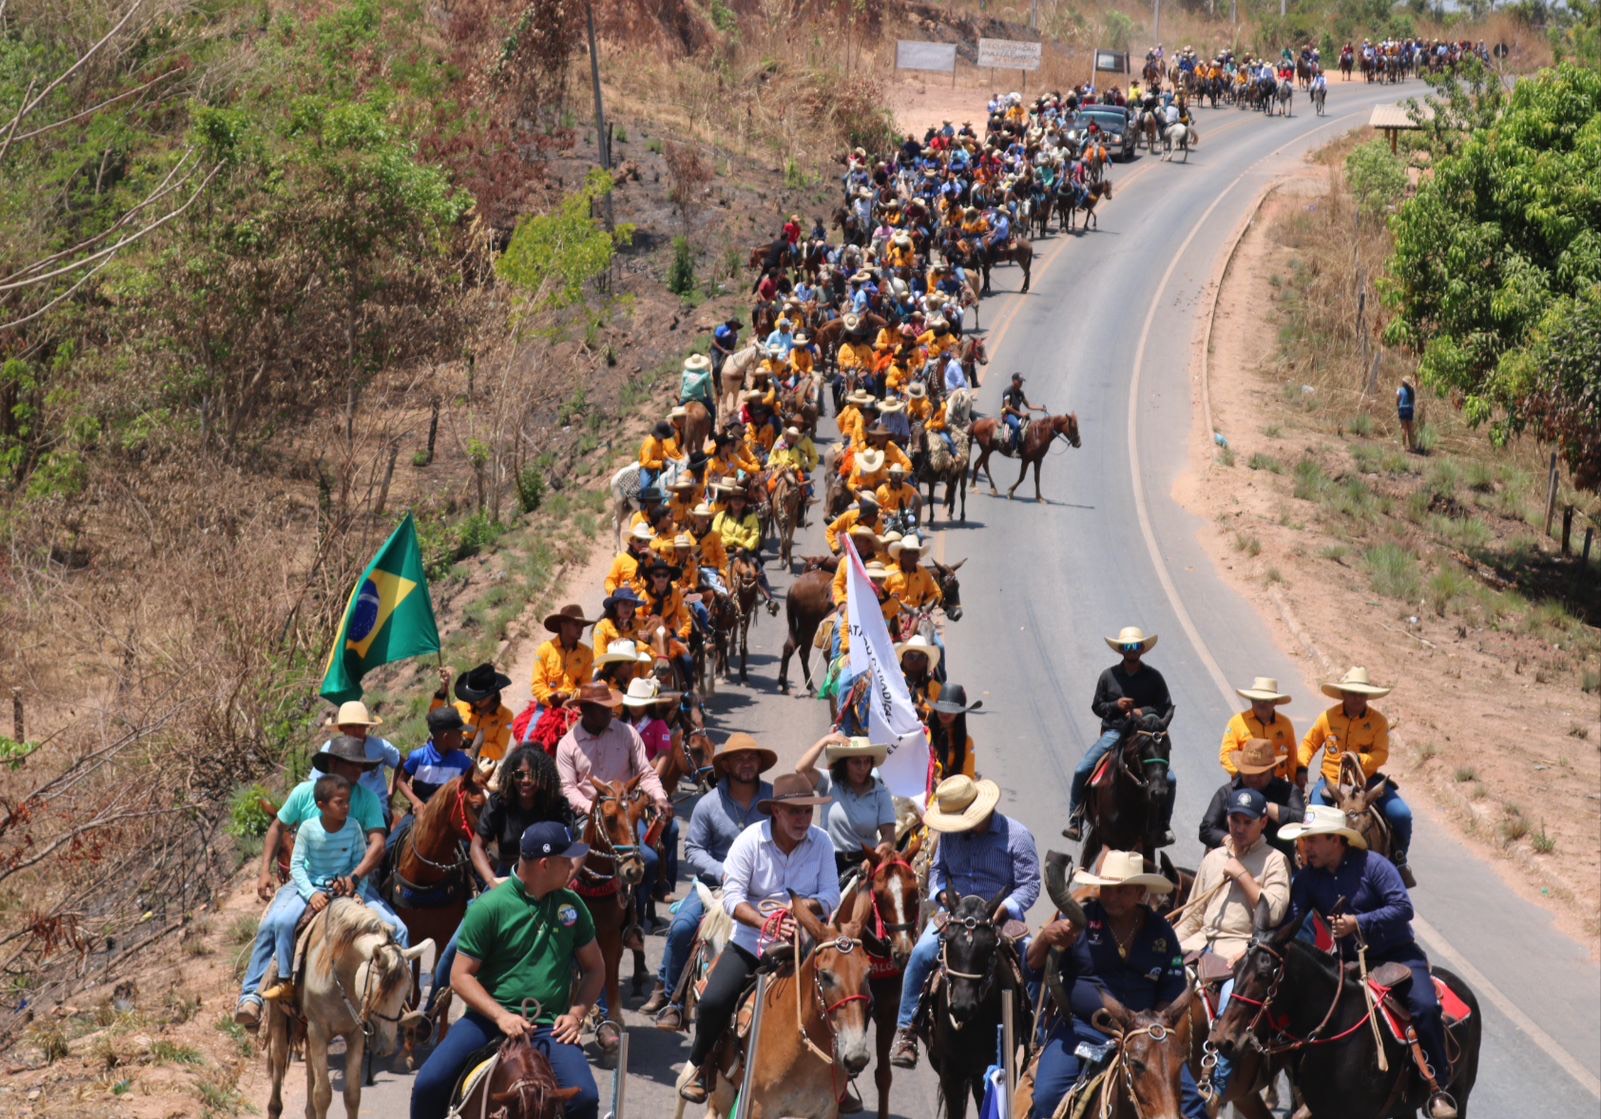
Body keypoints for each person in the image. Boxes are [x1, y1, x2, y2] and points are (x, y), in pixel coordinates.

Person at [409, 822, 604, 1119]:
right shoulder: (489, 907)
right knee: (429, 1083)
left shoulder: (572, 905)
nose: (573, 866)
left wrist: (576, 1014)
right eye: (567, 860)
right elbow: (460, 976)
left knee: (585, 1098)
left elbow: (595, 969)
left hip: (551, 1026)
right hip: (487, 1021)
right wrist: (501, 1015)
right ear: (545, 864)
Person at [1279, 807, 1458, 1119]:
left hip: (1398, 957)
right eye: (1305, 841)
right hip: (1346, 962)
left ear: (1336, 840)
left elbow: (1403, 908)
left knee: (1425, 1006)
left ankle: (1436, 1087)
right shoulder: (1307, 878)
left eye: (1313, 841)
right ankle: (1311, 1090)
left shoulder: (1375, 866)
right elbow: (1291, 921)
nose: (1305, 848)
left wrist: (1357, 923)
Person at [679, 773, 840, 1102]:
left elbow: (832, 896)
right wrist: (768, 922)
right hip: (752, 945)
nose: (802, 819)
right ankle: (699, 1063)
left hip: (804, 949)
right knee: (713, 1001)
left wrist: (802, 907)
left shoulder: (822, 842)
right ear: (776, 811)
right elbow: (732, 898)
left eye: (807, 811)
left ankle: (840, 1076)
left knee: (845, 996)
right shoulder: (749, 841)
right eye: (794, 811)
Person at [234, 736, 411, 1028]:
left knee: (400, 932)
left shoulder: (365, 799)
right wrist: (264, 870)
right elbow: (278, 827)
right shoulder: (304, 793)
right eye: (352, 766)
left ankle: (397, 1006)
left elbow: (378, 845)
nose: (359, 773)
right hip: (307, 881)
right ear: (333, 765)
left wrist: (354, 879)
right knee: (273, 923)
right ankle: (251, 998)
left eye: (362, 767)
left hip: (354, 884)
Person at [1027, 851, 1201, 1119]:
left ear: (1141, 892)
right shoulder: (1080, 921)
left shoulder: (1161, 932)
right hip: (1083, 1030)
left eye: (1121, 891)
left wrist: (1155, 1023)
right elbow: (1033, 966)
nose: (1111, 897)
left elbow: (1174, 982)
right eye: (1106, 889)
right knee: (1047, 1096)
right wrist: (1045, 938)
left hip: (1146, 1039)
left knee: (1194, 1107)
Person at [890, 775, 1039, 1068]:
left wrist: (1005, 908)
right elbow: (938, 872)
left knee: (1033, 960)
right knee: (920, 954)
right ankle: (907, 1031)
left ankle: (1036, 1036)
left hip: (999, 916)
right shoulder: (949, 835)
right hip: (956, 915)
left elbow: (1029, 884)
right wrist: (941, 894)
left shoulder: (1017, 836)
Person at [425, 745, 573, 1010]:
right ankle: (432, 1008)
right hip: (507, 878)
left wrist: (566, 877)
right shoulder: (499, 803)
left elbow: (576, 848)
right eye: (519, 775)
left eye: (532, 775)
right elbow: (477, 846)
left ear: (544, 776)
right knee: (456, 945)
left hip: (549, 880)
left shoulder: (557, 805)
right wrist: (492, 882)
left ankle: (596, 1012)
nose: (525, 781)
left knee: (578, 942)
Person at [643, 733, 778, 1023]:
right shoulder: (708, 804)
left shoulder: (773, 799)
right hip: (715, 886)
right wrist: (723, 872)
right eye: (738, 758)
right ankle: (674, 1000)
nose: (746, 763)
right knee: (682, 927)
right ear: (726, 765)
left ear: (760, 763)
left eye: (751, 757)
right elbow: (693, 849)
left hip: (762, 888)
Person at [1174, 788, 1291, 1110]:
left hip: (1243, 950)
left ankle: (1216, 1085)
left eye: (1247, 821)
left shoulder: (1275, 861)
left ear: (1263, 823)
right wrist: (1169, 946)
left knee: (1231, 1002)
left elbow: (1275, 913)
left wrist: (1243, 876)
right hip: (1199, 944)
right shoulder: (1214, 858)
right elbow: (1192, 916)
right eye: (1234, 820)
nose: (1239, 827)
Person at [555, 681, 673, 926]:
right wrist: (594, 810)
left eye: (610, 708)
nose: (611, 713)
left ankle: (634, 922)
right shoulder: (567, 745)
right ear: (586, 710)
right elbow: (567, 788)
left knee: (649, 860)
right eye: (603, 709)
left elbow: (646, 772)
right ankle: (561, 919)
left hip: (624, 814)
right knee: (561, 863)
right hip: (585, 815)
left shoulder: (627, 733)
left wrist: (659, 797)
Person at [1299, 666, 1415, 886]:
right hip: (1331, 782)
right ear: (1343, 694)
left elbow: (1381, 753)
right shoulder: (1327, 717)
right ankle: (1307, 863)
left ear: (1367, 697)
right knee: (1312, 819)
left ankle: (1399, 859)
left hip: (1365, 781)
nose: (1356, 698)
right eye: (1352, 693)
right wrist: (1301, 766)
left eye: (1361, 694)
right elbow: (1309, 743)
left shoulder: (1378, 721)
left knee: (1402, 815)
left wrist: (1359, 759)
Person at [260, 772, 369, 1005]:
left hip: (344, 890)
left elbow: (361, 864)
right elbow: (296, 866)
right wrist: (312, 894)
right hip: (312, 886)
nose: (346, 807)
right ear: (322, 805)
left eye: (347, 801)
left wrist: (358, 891)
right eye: (340, 803)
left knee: (380, 928)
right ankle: (285, 980)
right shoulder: (308, 829)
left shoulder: (354, 828)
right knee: (283, 922)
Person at [1066, 627, 1176, 845]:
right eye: (1127, 647)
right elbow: (1097, 706)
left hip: (1143, 735)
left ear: (1142, 649)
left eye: (1135, 646)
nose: (1132, 650)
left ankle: (1163, 824)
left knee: (1170, 778)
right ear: (1121, 650)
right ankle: (1075, 818)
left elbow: (1164, 707)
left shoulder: (1154, 677)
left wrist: (1141, 713)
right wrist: (1116, 705)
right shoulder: (1108, 676)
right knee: (1082, 769)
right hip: (1115, 731)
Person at [795, 732, 898, 874]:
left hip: (866, 862)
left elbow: (889, 835)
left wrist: (874, 858)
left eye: (866, 761)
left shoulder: (880, 793)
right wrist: (823, 741)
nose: (862, 768)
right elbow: (801, 770)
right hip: (828, 860)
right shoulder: (828, 781)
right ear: (844, 764)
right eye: (856, 762)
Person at [1199, 738, 1305, 859]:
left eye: (1260, 774)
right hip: (1232, 860)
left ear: (1273, 770)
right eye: (1249, 774)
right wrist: (1229, 840)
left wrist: (1265, 806)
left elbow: (1302, 820)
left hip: (1276, 864)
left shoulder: (1288, 791)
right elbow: (1206, 829)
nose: (1254, 779)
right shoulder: (1227, 792)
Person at [324, 700, 402, 825]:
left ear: (366, 727)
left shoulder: (380, 746)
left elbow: (402, 764)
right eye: (351, 726)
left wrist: (390, 793)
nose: (357, 731)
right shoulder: (331, 748)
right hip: (342, 810)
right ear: (342, 728)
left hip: (376, 809)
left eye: (361, 726)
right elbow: (317, 781)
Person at [394, 706, 475, 817]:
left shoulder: (463, 761)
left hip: (451, 813)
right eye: (459, 734)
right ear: (446, 737)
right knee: (397, 834)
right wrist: (416, 801)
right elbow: (401, 782)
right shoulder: (418, 757)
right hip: (422, 810)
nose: (462, 739)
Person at [432, 663, 516, 768]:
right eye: (474, 697)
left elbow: (499, 752)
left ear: (492, 694)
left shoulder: (506, 716)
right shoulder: (459, 707)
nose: (476, 701)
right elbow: (435, 720)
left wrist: (469, 745)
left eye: (480, 698)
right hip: (453, 760)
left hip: (483, 764)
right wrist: (441, 692)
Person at [1219, 675, 1298, 781]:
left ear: (1275, 702)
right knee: (1223, 797)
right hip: (1245, 781)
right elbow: (1226, 755)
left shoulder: (1285, 724)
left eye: (1267, 700)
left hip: (1276, 782)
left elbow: (1292, 758)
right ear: (1251, 700)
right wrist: (1243, 774)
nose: (1262, 703)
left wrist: (1295, 784)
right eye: (1257, 699)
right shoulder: (1236, 722)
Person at [531, 604, 596, 719]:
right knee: (530, 735)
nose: (580, 629)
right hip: (547, 706)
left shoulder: (587, 653)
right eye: (576, 624)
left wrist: (568, 696)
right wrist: (551, 698)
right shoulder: (545, 649)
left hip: (574, 705)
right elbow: (537, 685)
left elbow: (586, 685)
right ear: (563, 625)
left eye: (582, 626)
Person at [928, 684, 982, 780]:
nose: (945, 713)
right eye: (942, 709)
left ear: (959, 713)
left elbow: (967, 777)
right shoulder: (925, 734)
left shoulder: (967, 742)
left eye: (950, 710)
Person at [1000, 372, 1042, 454]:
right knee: (1017, 426)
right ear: (1013, 381)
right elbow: (1007, 406)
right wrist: (1021, 414)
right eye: (1019, 381)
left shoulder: (1020, 393)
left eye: (1022, 382)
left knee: (1031, 425)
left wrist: (1041, 408)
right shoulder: (1007, 391)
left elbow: (1029, 406)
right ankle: (1013, 447)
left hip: (1017, 415)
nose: (1021, 383)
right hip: (1007, 415)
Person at [680, 353, 715, 422]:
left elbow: (682, 388)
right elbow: (708, 390)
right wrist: (710, 398)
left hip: (685, 398)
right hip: (699, 398)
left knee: (676, 415)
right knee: (713, 410)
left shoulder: (685, 373)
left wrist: (681, 397)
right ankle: (712, 431)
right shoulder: (705, 374)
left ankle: (676, 431)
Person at [1397, 377, 1417, 451]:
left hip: (1402, 409)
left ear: (1404, 383)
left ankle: (1403, 446)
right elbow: (1413, 402)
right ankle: (1411, 447)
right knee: (1410, 429)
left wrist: (1398, 406)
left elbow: (1397, 399)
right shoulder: (1412, 391)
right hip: (1410, 410)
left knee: (1403, 428)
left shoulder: (1400, 390)